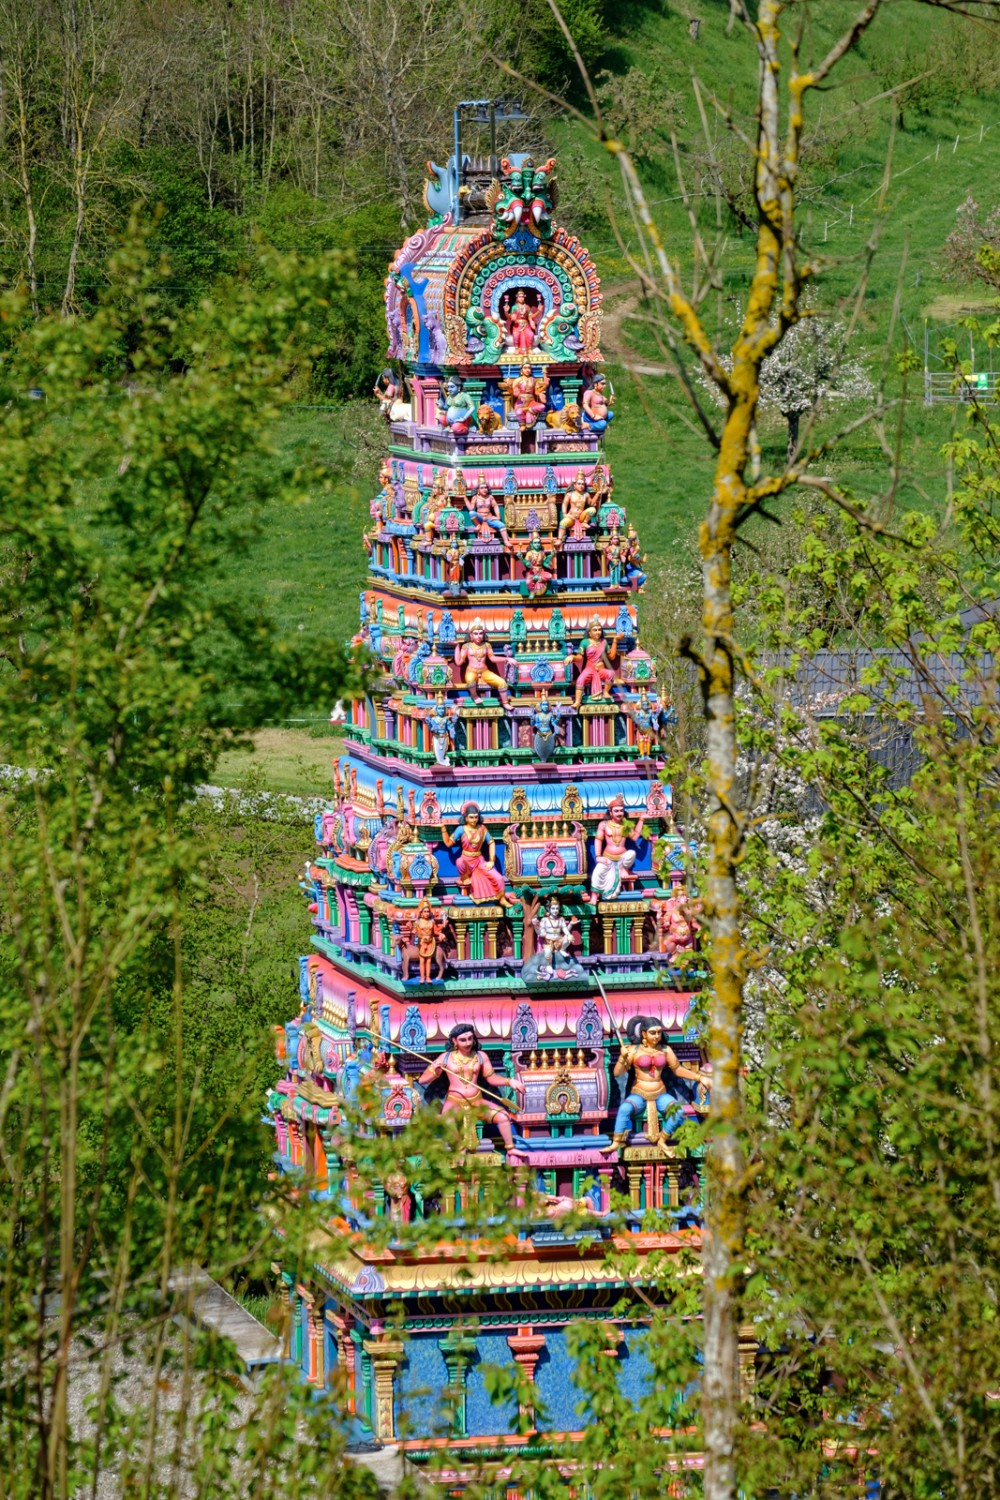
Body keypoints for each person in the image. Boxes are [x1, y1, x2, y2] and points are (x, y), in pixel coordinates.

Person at [602, 1016, 711, 1157]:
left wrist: (699, 1077)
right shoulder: (633, 1051)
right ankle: (615, 1143)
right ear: (643, 1034)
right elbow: (617, 1073)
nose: (656, 1036)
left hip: (660, 1093)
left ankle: (663, 1139)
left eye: (659, 1032)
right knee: (624, 1109)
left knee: (677, 1111)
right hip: (639, 1093)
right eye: (652, 1032)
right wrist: (623, 1058)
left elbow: (677, 1069)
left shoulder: (665, 1050)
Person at [417, 1023, 525, 1154]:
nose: (468, 1043)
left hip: (476, 1100)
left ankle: (511, 1148)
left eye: (470, 1038)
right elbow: (422, 1080)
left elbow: (491, 1078)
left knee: (503, 1116)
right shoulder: (446, 1057)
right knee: (448, 1120)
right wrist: (435, 1071)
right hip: (454, 1101)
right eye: (463, 1040)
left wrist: (510, 1081)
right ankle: (460, 1149)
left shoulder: (480, 1056)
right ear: (454, 1041)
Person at [439, 802, 511, 905]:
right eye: (471, 817)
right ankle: (465, 878)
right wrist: (443, 829)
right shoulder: (461, 829)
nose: (474, 820)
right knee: (459, 861)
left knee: (498, 877)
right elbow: (448, 844)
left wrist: (491, 860)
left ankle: (502, 899)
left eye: (476, 817)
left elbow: (491, 842)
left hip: (479, 860)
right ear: (466, 818)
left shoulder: (482, 828)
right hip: (466, 862)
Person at [590, 794, 644, 903]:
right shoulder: (604, 825)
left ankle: (624, 868)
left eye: (621, 811)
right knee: (597, 872)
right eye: (616, 811)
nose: (619, 813)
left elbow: (635, 837)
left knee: (631, 853)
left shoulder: (626, 825)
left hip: (622, 859)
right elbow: (598, 840)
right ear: (610, 812)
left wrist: (641, 819)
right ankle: (594, 897)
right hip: (607, 858)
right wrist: (598, 856)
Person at [455, 619, 511, 706]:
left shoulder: (487, 645)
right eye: (476, 634)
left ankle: (505, 703)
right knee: (470, 681)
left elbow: (492, 658)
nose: (478, 636)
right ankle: (475, 696)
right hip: (471, 670)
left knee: (502, 682)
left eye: (481, 633)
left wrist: (507, 659)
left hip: (484, 671)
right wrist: (457, 646)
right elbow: (458, 662)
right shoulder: (466, 646)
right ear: (471, 635)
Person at [571, 619, 618, 708]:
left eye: (599, 630)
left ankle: (606, 692)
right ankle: (577, 702)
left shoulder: (604, 642)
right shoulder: (585, 642)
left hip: (601, 669)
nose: (598, 632)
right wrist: (572, 657)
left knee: (611, 674)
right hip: (589, 669)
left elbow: (611, 657)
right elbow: (580, 657)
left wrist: (615, 641)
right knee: (580, 680)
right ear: (590, 633)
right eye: (595, 630)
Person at [558, 470, 598, 541]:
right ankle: (559, 539)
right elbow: (564, 504)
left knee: (593, 509)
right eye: (579, 484)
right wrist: (564, 514)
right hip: (572, 517)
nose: (581, 486)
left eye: (582, 484)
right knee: (563, 523)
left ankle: (585, 523)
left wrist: (597, 494)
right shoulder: (569, 494)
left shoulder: (586, 494)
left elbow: (591, 503)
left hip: (581, 517)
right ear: (574, 485)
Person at [426, 692, 459, 766]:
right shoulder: (434, 719)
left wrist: (453, 724)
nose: (441, 710)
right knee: (437, 751)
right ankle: (440, 761)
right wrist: (430, 725)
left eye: (442, 709)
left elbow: (449, 727)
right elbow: (430, 728)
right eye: (439, 709)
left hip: (444, 737)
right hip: (436, 737)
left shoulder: (446, 719)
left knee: (443, 750)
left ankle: (443, 760)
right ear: (436, 710)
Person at [531, 689, 559, 762]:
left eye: (546, 704)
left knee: (548, 748)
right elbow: (533, 724)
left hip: (549, 734)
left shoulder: (550, 715)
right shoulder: (537, 715)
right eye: (543, 705)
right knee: (539, 748)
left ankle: (546, 758)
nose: (545, 706)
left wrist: (558, 714)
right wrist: (532, 719)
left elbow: (553, 723)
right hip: (540, 734)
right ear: (540, 706)